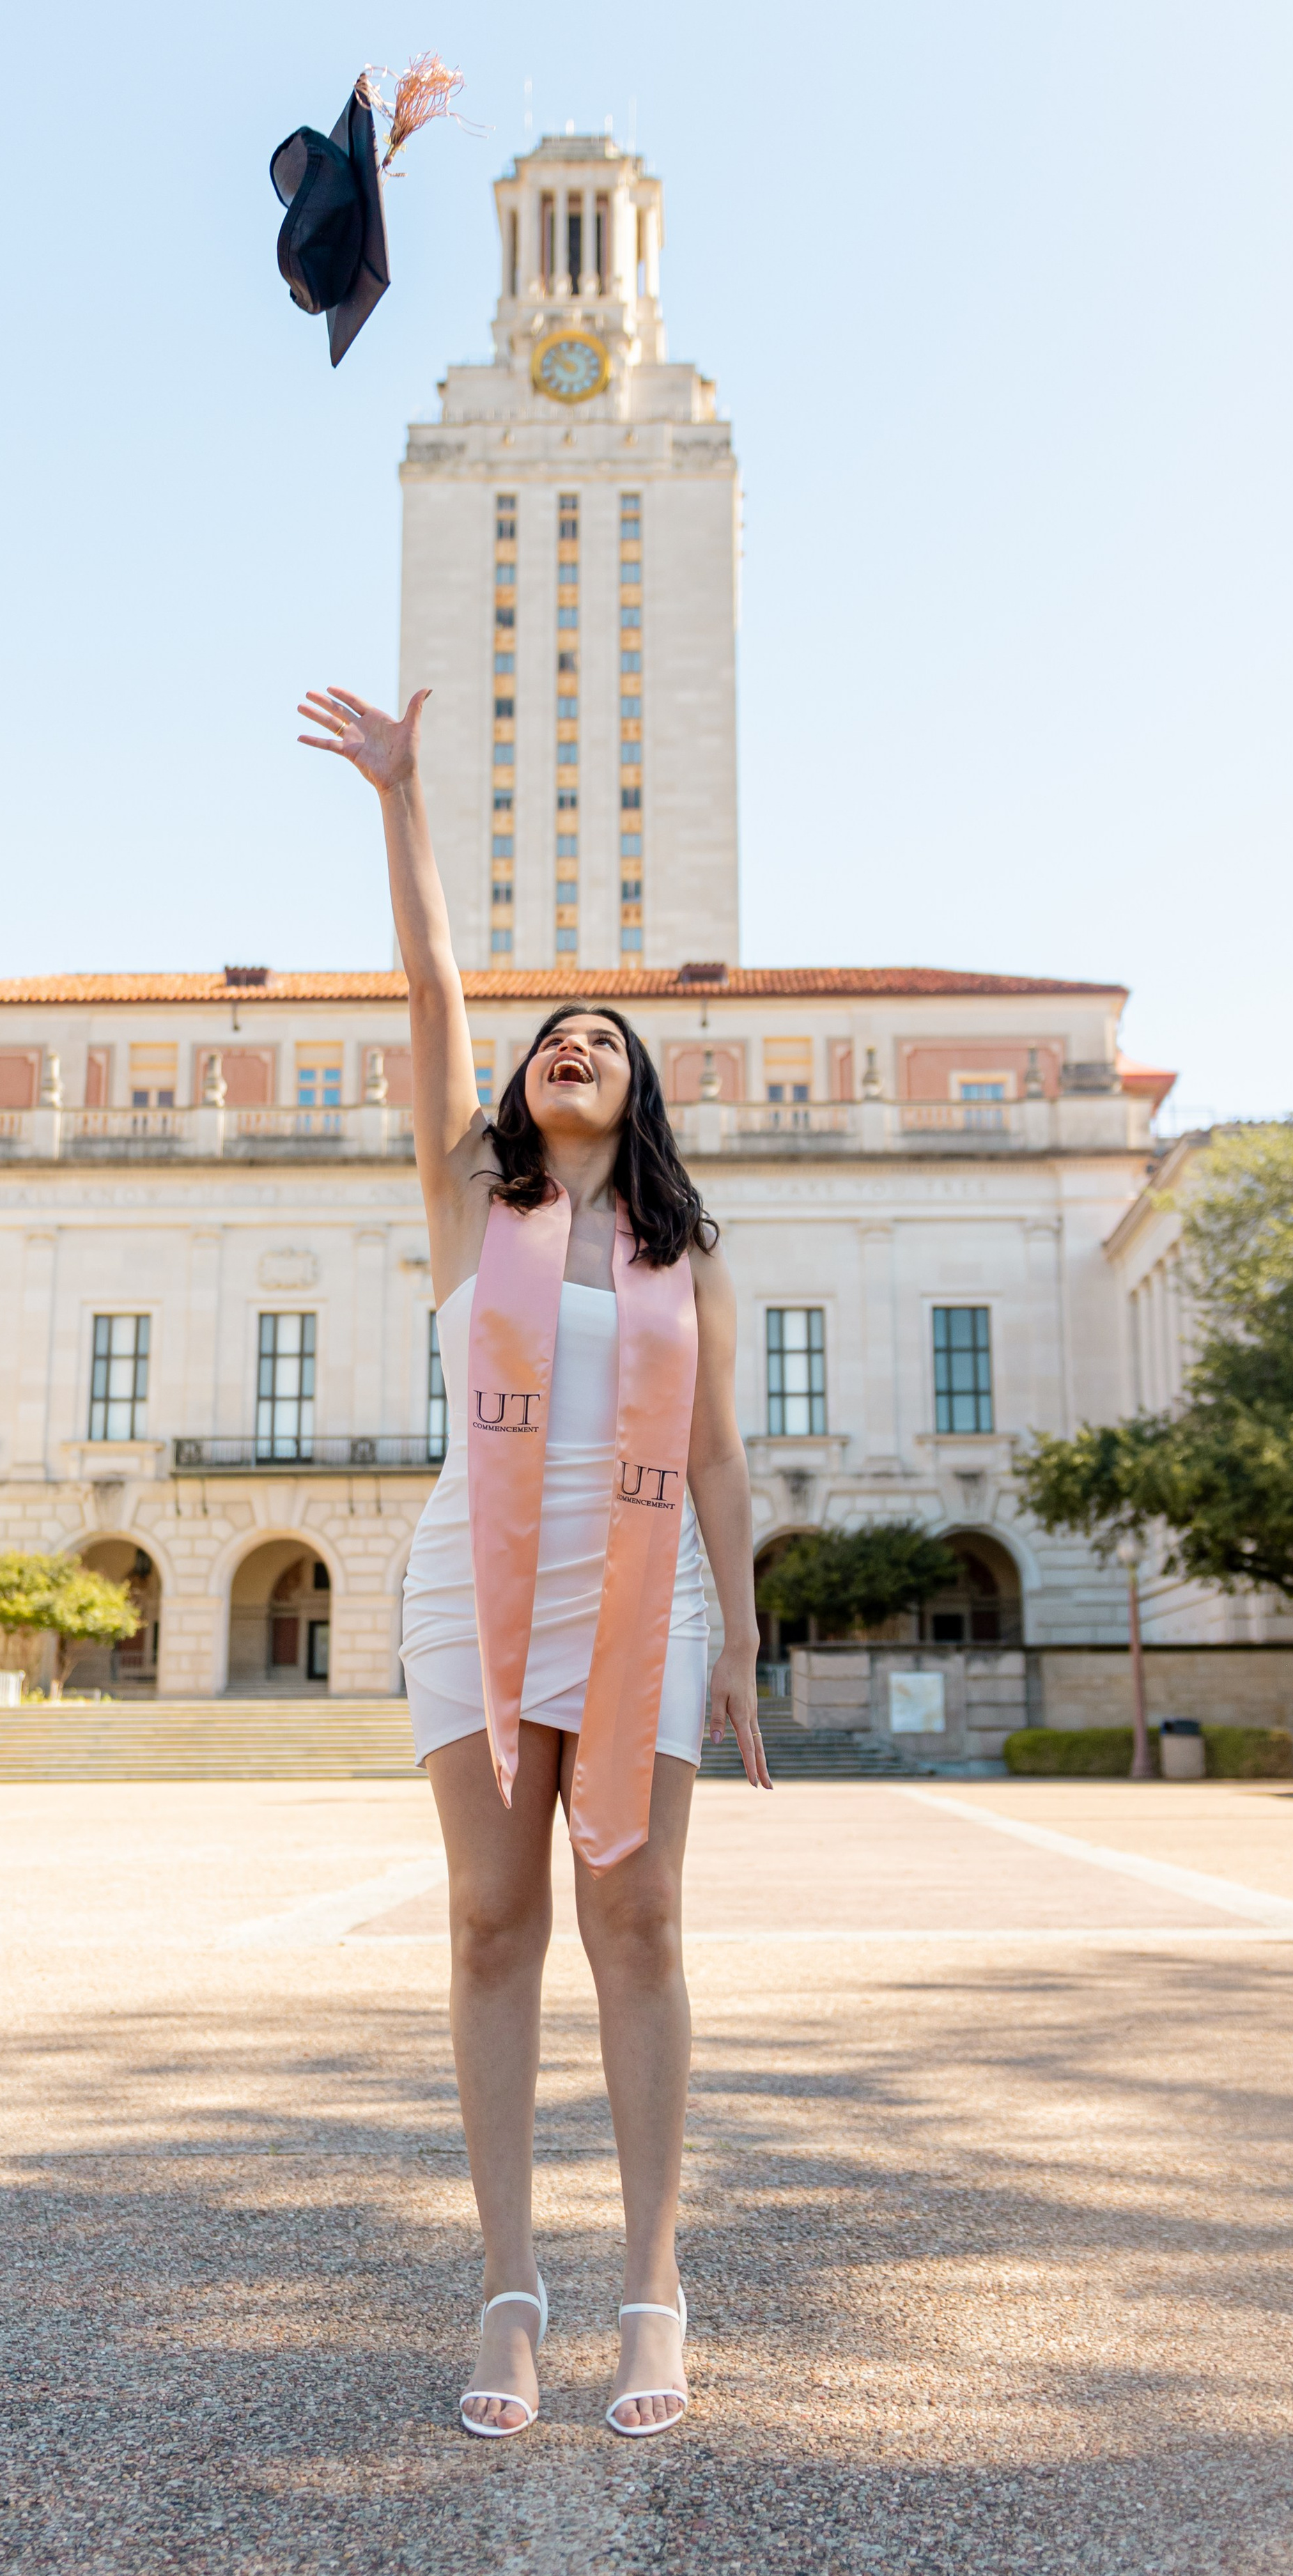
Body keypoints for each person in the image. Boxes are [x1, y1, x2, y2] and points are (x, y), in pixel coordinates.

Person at [298, 683, 771, 2439]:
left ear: (634, 1090)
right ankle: (509, 2286)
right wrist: (399, 800)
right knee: (494, 1919)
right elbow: (431, 990)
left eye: (605, 1035)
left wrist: (738, 1634)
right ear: (519, 1078)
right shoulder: (465, 1204)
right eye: (548, 1031)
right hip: (471, 1586)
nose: (570, 1040)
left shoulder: (685, 1261)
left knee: (632, 1920)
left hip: (642, 1587)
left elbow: (721, 1452)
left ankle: (651, 2287)